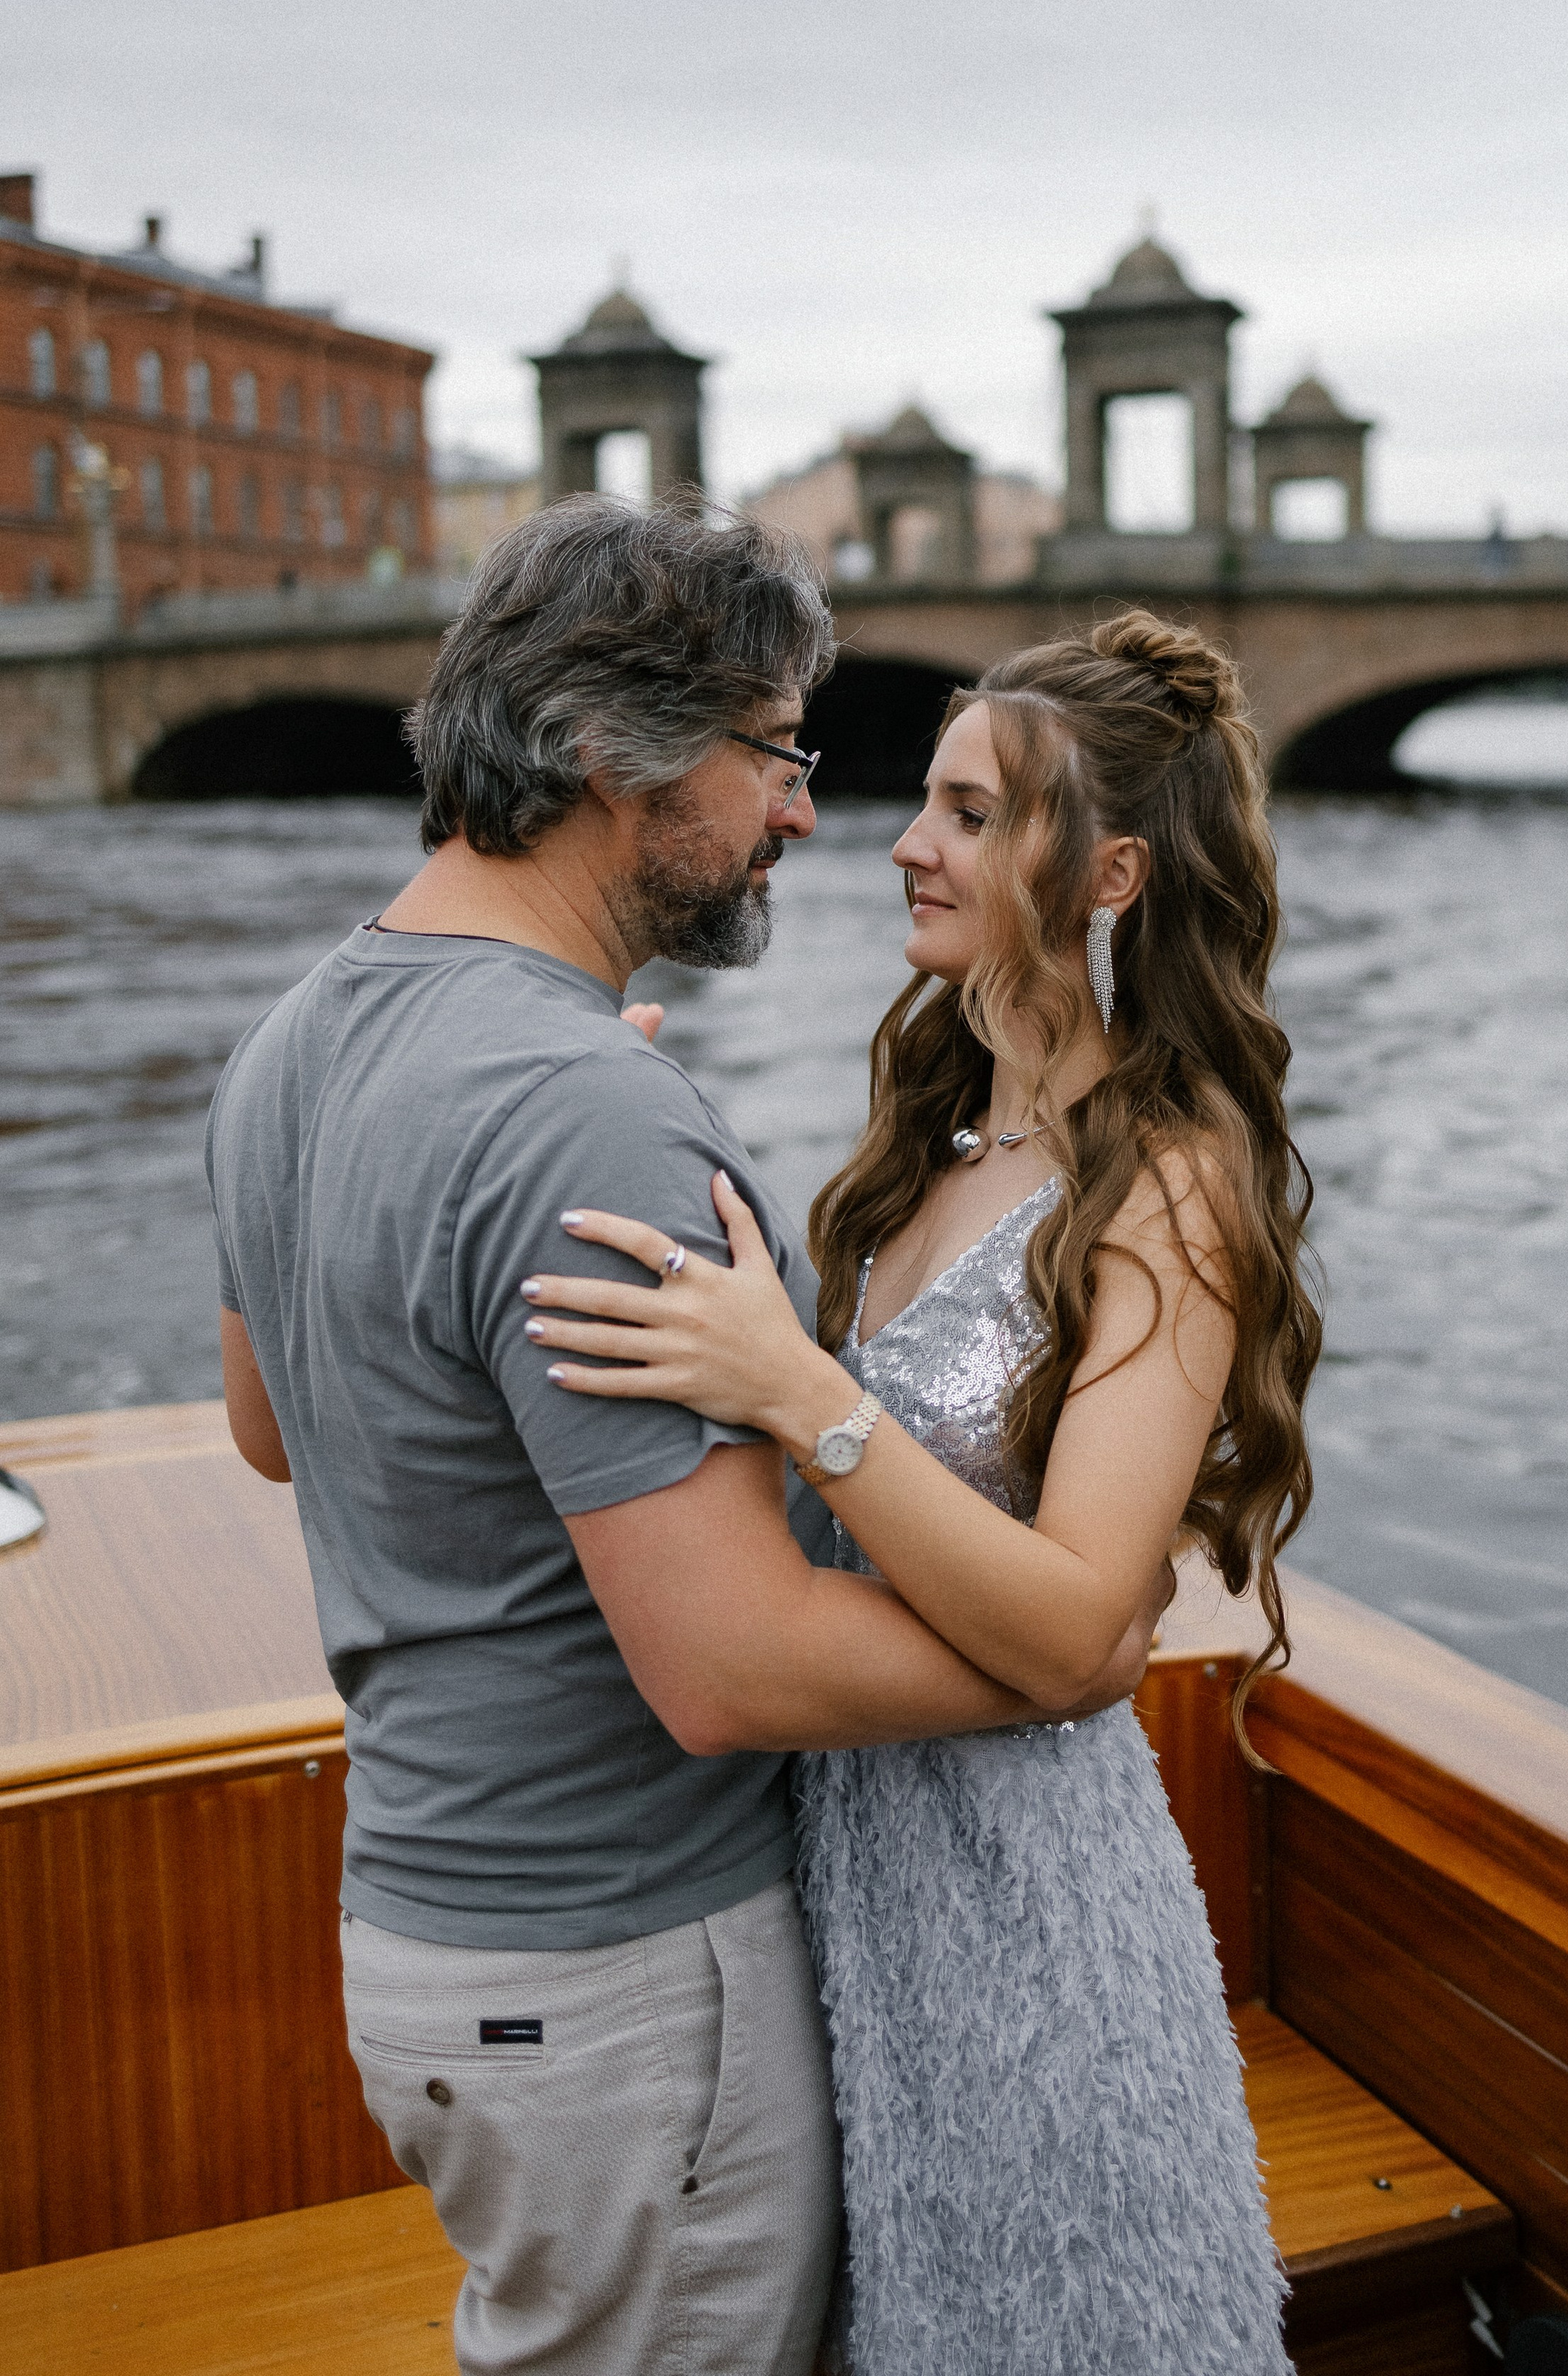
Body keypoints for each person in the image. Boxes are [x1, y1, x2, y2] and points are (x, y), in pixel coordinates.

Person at [205, 496, 1153, 2376]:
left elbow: (272, 1428)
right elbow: (727, 1673)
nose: (806, 809)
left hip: (422, 1939)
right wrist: (1068, 1647)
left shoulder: (298, 1037)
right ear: (598, 750)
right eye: (772, 751)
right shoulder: (583, 1109)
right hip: (623, 1974)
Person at [525, 611, 1322, 2374]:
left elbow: (1076, 1625)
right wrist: (616, 1105)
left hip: (1036, 1925)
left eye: (972, 813)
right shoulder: (930, 1140)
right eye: (924, 802)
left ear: (1106, 871)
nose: (905, 839)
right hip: (858, 1904)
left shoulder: (1171, 1185)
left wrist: (801, 1392)